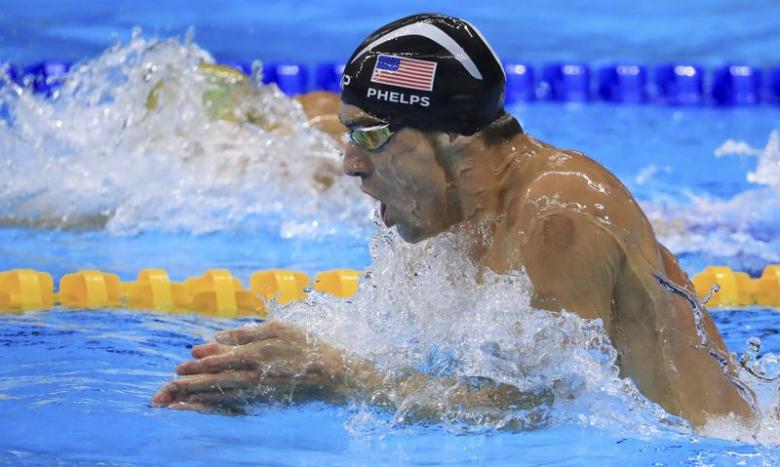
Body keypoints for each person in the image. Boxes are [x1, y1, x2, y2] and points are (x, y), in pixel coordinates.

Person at [152, 13, 755, 428]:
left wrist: (338, 379)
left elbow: (542, 407)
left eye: (370, 134)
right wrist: (272, 379)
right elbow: (425, 369)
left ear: (449, 137)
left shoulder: (560, 210)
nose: (349, 164)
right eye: (347, 133)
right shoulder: (448, 219)